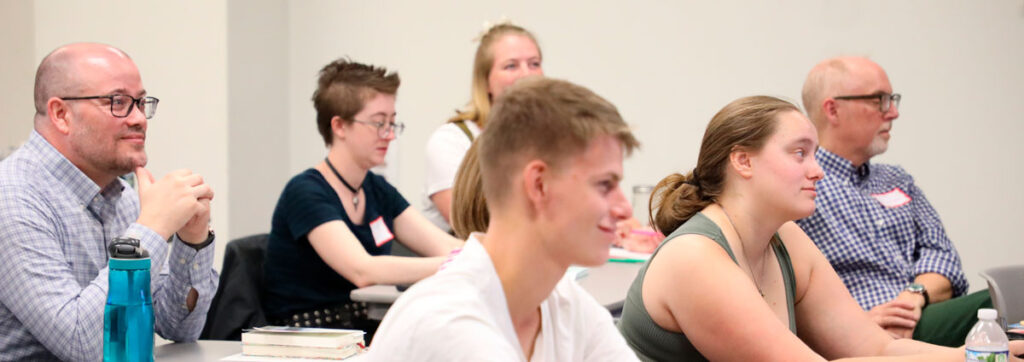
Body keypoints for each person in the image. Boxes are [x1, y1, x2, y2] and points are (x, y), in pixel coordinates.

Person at [617, 96, 1014, 361]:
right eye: (799, 153)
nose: (818, 170)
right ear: (743, 162)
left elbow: (875, 346)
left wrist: (984, 354)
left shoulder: (785, 237)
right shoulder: (696, 257)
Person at [367, 77, 641, 361]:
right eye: (604, 185)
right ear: (539, 185)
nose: (624, 210)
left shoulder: (567, 306)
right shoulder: (450, 325)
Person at [0, 43, 218, 361]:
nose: (140, 119)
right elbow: (85, 346)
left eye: (141, 103)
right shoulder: (12, 197)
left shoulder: (122, 198)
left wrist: (192, 240)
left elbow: (179, 328)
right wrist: (152, 227)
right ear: (61, 114)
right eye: (118, 102)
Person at [262, 59, 462, 338]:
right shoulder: (305, 192)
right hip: (304, 339)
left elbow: (445, 246)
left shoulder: (377, 189)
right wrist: (463, 263)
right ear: (339, 126)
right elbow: (363, 270)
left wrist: (481, 253)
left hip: (359, 333)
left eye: (392, 123)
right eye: (379, 123)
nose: (390, 135)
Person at [796, 56, 984, 346]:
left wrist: (915, 294)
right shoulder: (802, 185)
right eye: (879, 100)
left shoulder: (897, 179)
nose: (893, 113)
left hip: (924, 313)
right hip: (861, 332)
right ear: (833, 109)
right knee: (1010, 300)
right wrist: (847, 326)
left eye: (892, 100)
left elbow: (943, 255)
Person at [422, 22, 543, 233]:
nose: (527, 74)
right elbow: (469, 226)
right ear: (485, 81)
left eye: (534, 63)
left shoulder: (551, 137)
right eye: (511, 66)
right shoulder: (451, 141)